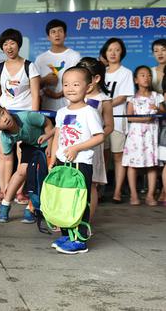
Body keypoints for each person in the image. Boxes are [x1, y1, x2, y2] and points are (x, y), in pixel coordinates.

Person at [49, 66, 104, 254]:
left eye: (75, 84)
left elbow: (99, 136)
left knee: (79, 201)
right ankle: (67, 235)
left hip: (81, 164)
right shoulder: (62, 112)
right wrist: (53, 157)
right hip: (63, 163)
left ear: (88, 87)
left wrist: (77, 148)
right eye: (66, 84)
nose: (70, 88)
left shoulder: (90, 112)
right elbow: (58, 135)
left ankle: (79, 240)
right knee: (64, 199)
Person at [0, 28, 40, 205]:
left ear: (18, 44)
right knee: (4, 154)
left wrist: (32, 119)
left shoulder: (29, 66)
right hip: (3, 118)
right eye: (5, 44)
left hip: (23, 118)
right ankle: (3, 191)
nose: (9, 47)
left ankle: (19, 192)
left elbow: (35, 95)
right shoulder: (0, 67)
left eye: (12, 43)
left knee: (22, 154)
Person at [0, 104, 54, 223]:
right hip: (30, 145)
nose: (4, 119)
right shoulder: (5, 137)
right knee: (21, 171)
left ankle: (31, 209)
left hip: (48, 142)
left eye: (2, 113)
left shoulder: (27, 117)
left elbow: (48, 123)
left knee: (41, 175)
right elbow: (8, 158)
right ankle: (5, 206)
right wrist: (5, 187)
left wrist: (50, 145)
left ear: (6, 110)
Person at [122, 66, 164, 206]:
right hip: (136, 137)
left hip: (151, 136)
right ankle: (134, 195)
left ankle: (150, 195)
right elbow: (129, 117)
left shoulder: (157, 96)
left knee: (152, 165)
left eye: (148, 75)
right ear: (136, 79)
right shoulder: (132, 98)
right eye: (142, 75)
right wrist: (145, 119)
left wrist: (158, 109)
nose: (146, 78)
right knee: (132, 165)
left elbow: (163, 112)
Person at [77, 57, 113, 221]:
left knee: (90, 184)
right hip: (74, 145)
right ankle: (71, 219)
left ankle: (87, 223)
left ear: (96, 78)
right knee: (73, 182)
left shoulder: (104, 100)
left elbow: (109, 126)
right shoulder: (76, 96)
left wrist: (97, 137)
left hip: (93, 148)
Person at [101, 38, 134, 203]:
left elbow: (122, 97)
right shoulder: (101, 72)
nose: (113, 53)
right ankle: (99, 190)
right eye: (110, 50)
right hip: (99, 120)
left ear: (122, 52)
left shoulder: (126, 73)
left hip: (117, 119)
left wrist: (105, 106)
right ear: (105, 53)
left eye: (117, 50)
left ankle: (117, 191)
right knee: (103, 156)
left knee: (118, 156)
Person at [34, 19, 81, 112]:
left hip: (69, 108)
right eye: (53, 32)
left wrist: (58, 94)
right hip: (46, 108)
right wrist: (44, 81)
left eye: (60, 31)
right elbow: (33, 84)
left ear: (65, 35)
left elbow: (79, 82)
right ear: (48, 37)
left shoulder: (75, 56)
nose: (57, 34)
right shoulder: (40, 59)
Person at [150, 39, 166, 204]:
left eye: (163, 50)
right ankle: (154, 189)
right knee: (156, 155)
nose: (160, 53)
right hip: (154, 119)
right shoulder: (150, 72)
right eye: (156, 50)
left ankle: (164, 190)